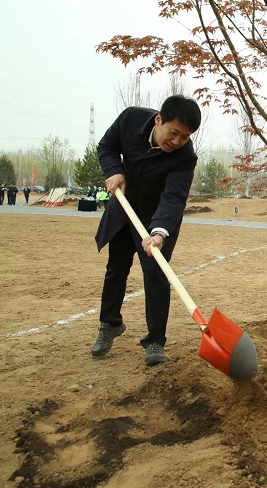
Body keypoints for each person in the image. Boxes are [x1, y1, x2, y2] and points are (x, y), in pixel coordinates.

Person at [91, 95, 201, 368]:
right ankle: (110, 324)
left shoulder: (185, 157)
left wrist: (160, 233)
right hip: (125, 207)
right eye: (174, 132)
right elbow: (106, 146)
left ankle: (155, 341)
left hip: (158, 217)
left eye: (185, 137)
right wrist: (114, 170)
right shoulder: (130, 120)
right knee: (116, 267)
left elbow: (174, 197)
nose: (177, 142)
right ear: (158, 119)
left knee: (156, 273)